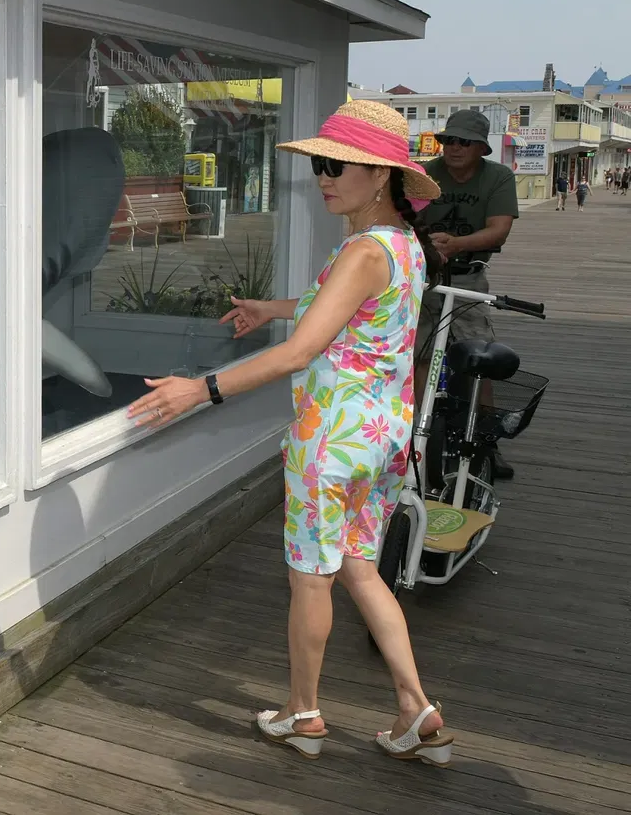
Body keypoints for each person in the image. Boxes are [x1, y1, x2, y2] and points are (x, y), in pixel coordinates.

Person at [127, 100, 453, 765]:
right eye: (319, 165)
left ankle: (303, 713)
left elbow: (300, 352)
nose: (322, 177)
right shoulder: (401, 245)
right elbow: (343, 316)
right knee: (361, 567)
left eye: (335, 165)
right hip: (383, 438)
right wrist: (269, 307)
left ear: (382, 174)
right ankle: (415, 707)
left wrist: (202, 389)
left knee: (313, 577)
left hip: (330, 443)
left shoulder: (363, 249)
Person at [415, 109, 519, 478]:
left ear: (481, 148)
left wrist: (456, 244)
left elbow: (499, 230)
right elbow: (403, 217)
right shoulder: (425, 173)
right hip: (425, 274)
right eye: (448, 140)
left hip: (469, 275)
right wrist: (427, 244)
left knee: (480, 360)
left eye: (463, 142)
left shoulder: (498, 177)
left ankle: (487, 444)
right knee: (420, 354)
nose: (453, 148)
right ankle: (417, 436)